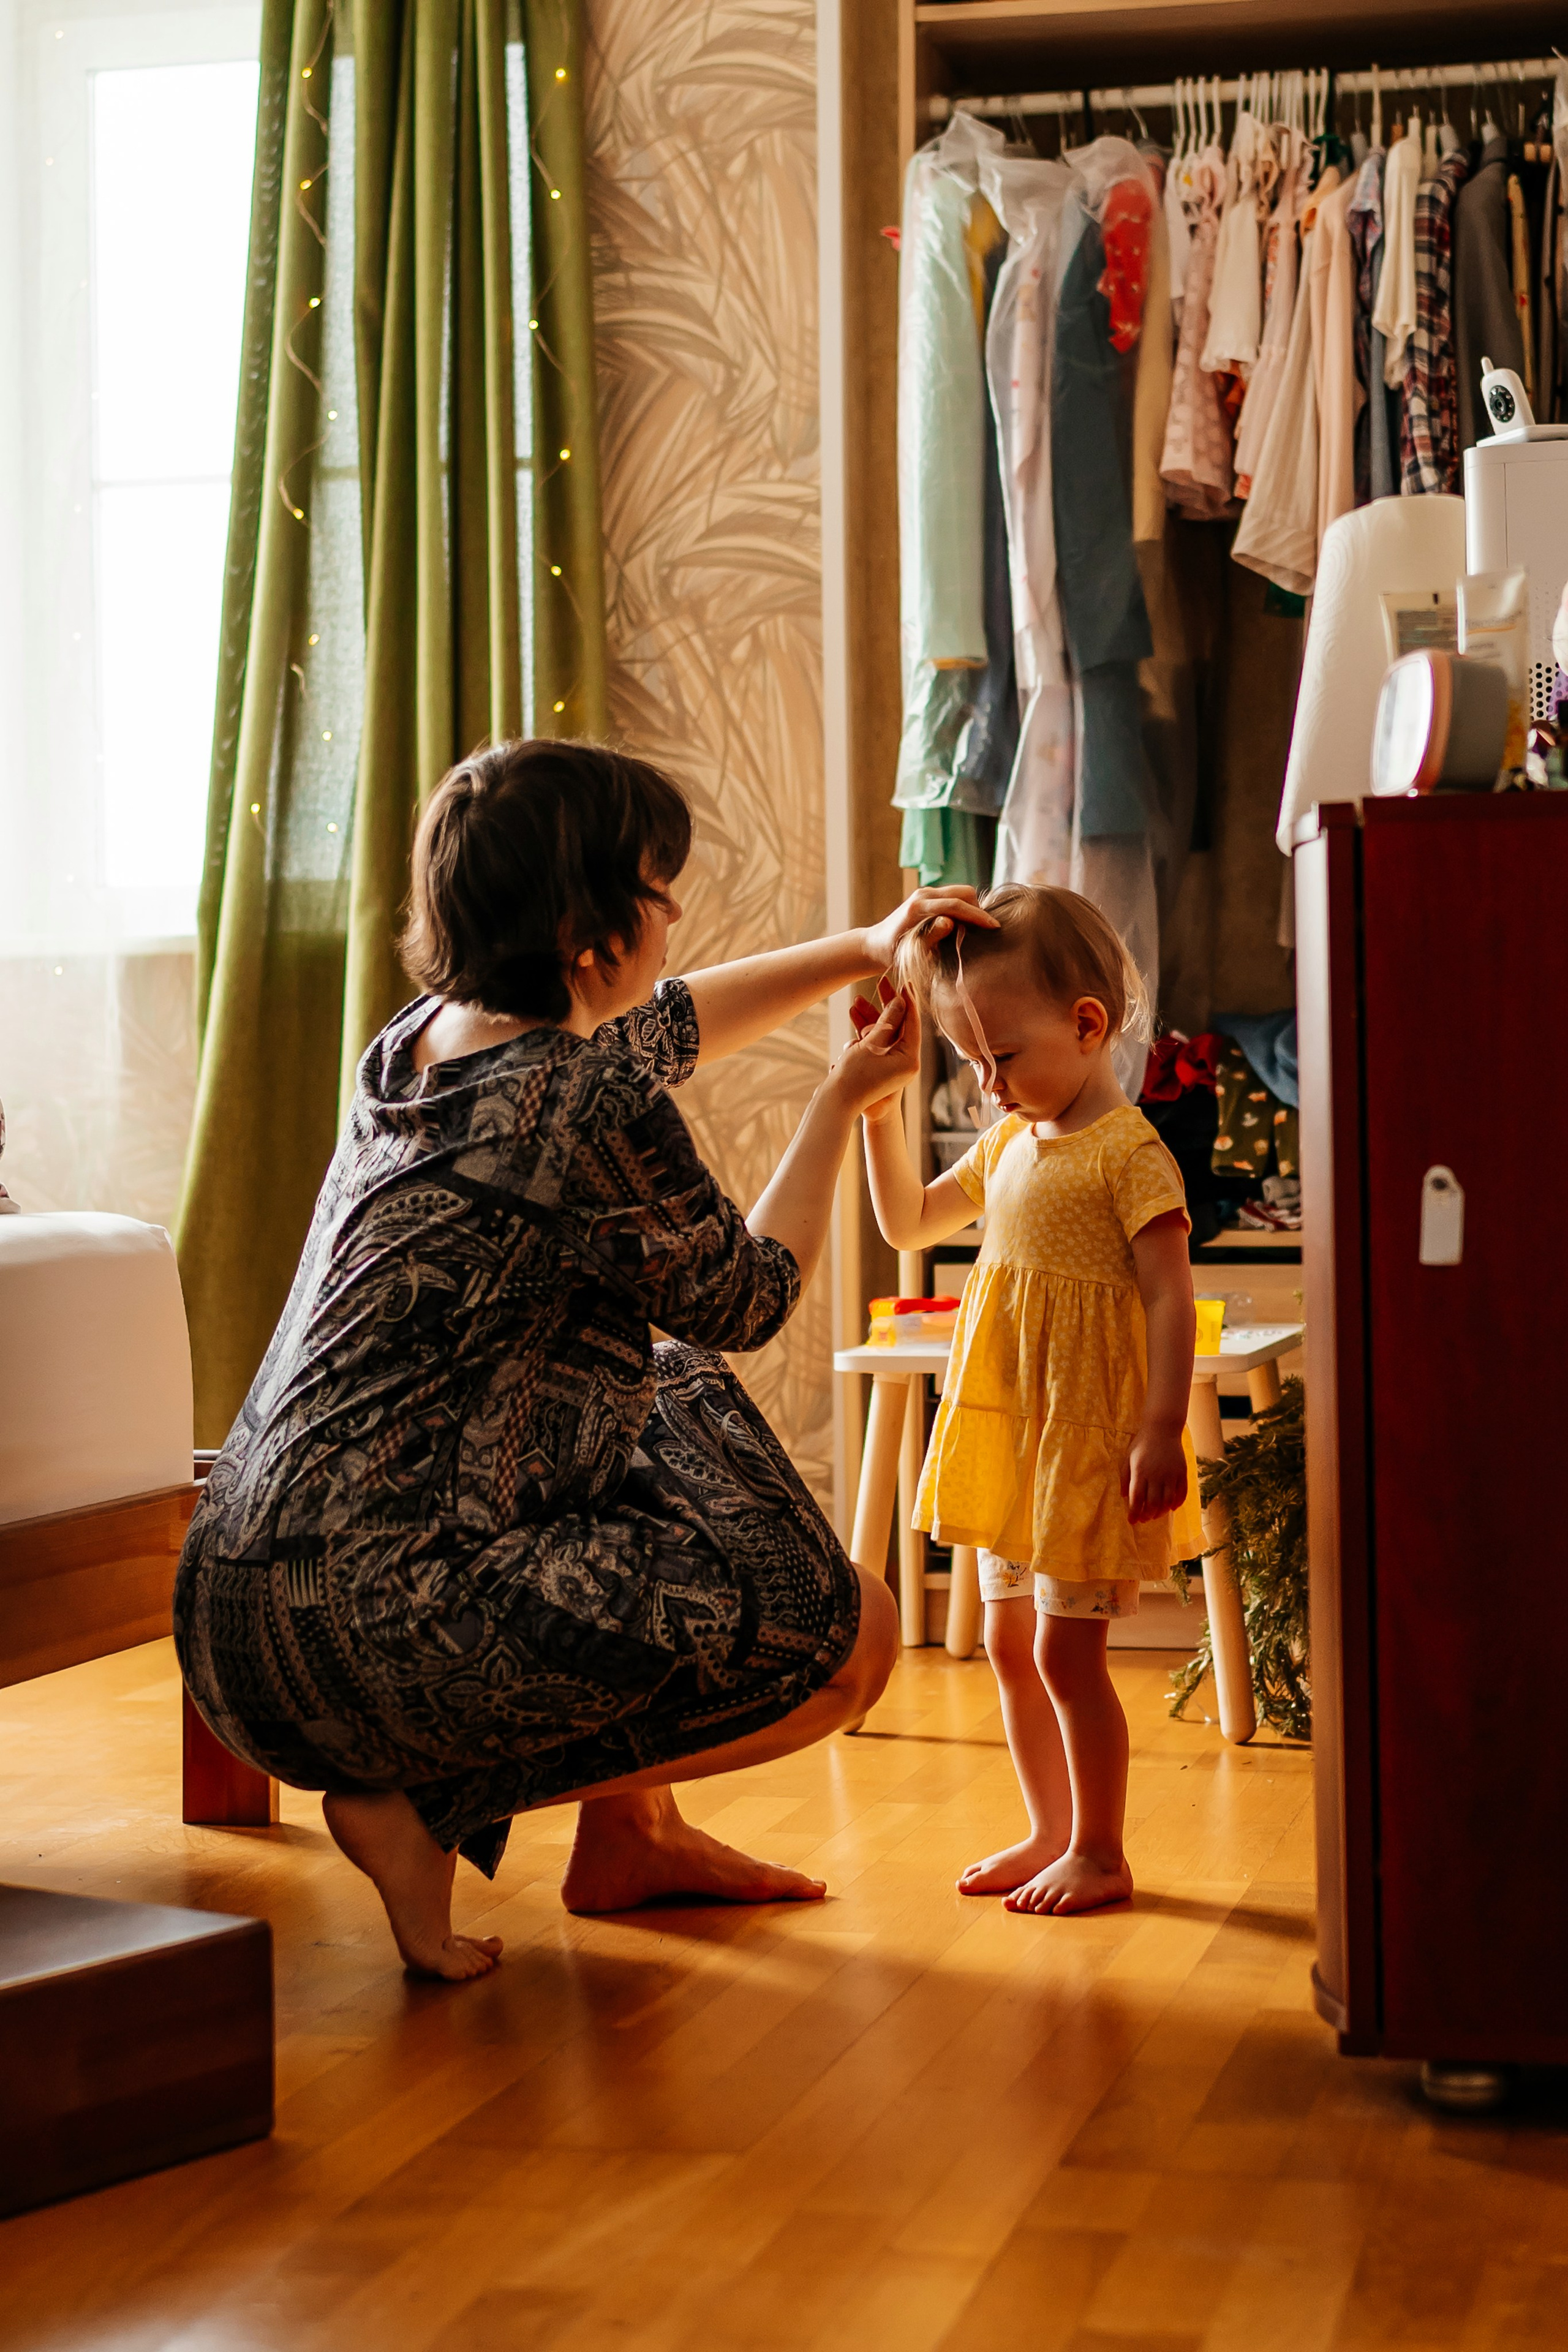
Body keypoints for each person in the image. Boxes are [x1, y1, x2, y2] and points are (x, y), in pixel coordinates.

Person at [175, 737, 989, 1980]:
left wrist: (856, 949)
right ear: (589, 931)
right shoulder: (579, 1107)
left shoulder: (417, 1047)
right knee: (847, 1636)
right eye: (660, 895)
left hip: (235, 1604)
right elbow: (747, 1295)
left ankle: (632, 1838)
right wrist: (839, 1104)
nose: (671, 920)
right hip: (371, 1629)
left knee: (651, 1399)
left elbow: (661, 1032)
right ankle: (417, 1806)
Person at [861, 884, 1203, 1915]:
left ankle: (1102, 1847)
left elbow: (1171, 1296)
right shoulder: (1011, 1143)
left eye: (1001, 1058)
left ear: (1087, 1025)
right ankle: (1048, 1829)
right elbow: (908, 1221)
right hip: (1016, 1437)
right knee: (1010, 1642)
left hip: (1087, 1442)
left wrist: (1159, 1427)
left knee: (1065, 1650)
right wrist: (880, 1105)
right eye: (968, 1062)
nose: (985, 1085)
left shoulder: (1127, 1152)